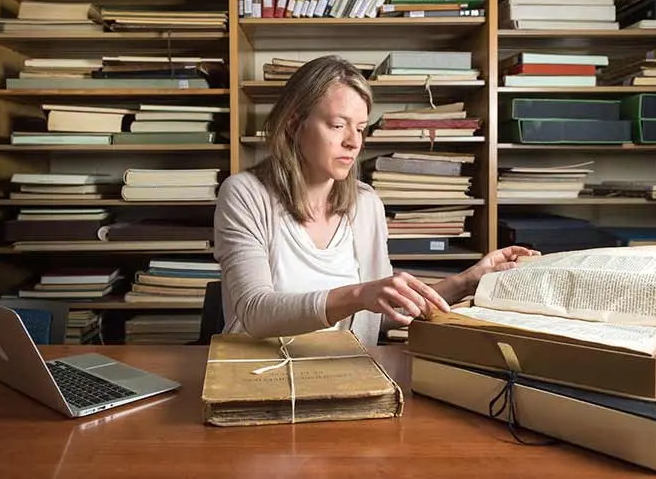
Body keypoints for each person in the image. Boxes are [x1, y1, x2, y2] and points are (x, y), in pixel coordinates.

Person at [213, 55, 536, 346]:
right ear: (293, 125)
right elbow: (255, 311)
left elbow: (380, 311)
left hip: (347, 377)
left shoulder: (366, 204)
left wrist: (467, 282)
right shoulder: (245, 194)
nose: (353, 142)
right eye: (338, 125)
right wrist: (358, 294)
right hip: (256, 378)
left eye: (361, 128)